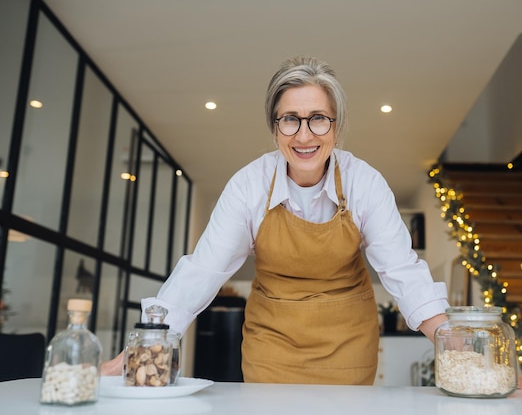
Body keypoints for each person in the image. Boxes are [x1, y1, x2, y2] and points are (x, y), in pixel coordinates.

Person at [102, 55, 448, 384]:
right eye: (290, 119)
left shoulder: (364, 182)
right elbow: (203, 269)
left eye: (318, 118)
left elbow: (401, 269)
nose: (304, 135)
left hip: (348, 347)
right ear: (275, 128)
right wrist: (148, 342)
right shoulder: (248, 186)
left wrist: (453, 343)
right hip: (271, 348)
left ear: (336, 127)